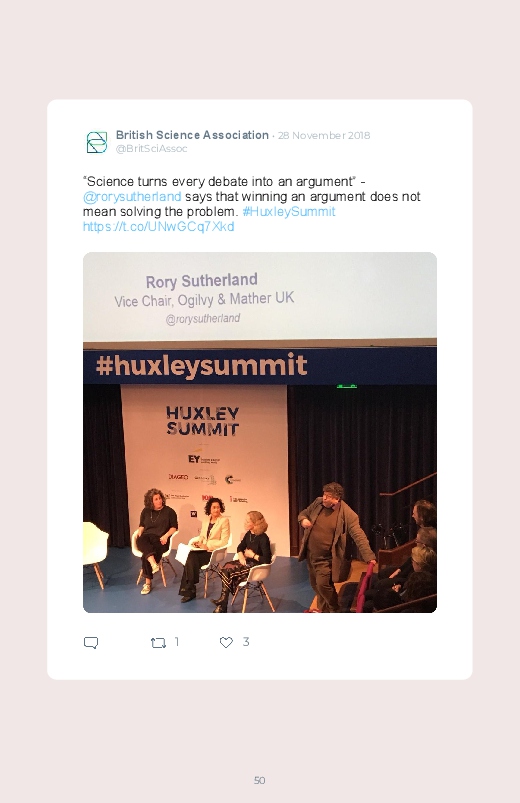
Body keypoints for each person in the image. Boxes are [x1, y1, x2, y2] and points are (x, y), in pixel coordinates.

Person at [298, 482, 376, 613]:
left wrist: (369, 556)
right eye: (324, 494)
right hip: (311, 555)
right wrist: (303, 520)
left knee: (323, 585)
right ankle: (324, 611)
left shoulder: (347, 514)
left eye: (328, 496)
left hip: (327, 559)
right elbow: (304, 513)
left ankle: (335, 609)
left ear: (336, 499)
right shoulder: (318, 503)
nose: (324, 498)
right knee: (316, 586)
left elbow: (359, 536)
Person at [212, 511, 271, 613]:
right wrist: (240, 555)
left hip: (256, 567)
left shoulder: (263, 538)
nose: (245, 523)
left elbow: (267, 560)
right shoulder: (248, 534)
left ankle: (222, 604)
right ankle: (223, 602)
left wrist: (253, 555)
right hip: (246, 562)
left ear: (255, 523)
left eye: (247, 521)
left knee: (228, 571)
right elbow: (240, 547)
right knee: (226, 566)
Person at [178, 497, 230, 603]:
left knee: (190, 559)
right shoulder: (206, 520)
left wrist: (207, 546)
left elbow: (224, 541)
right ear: (209, 509)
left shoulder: (224, 521)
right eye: (214, 507)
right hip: (202, 549)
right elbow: (202, 535)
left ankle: (190, 590)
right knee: (190, 557)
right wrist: (198, 542)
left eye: (218, 507)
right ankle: (190, 588)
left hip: (214, 552)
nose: (216, 509)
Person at [135, 488, 178, 595]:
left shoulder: (169, 511)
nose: (159, 501)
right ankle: (154, 563)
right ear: (151, 501)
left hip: (160, 539)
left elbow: (174, 527)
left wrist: (166, 536)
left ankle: (147, 583)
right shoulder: (146, 511)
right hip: (146, 537)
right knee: (141, 540)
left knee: (146, 554)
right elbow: (142, 525)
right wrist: (140, 530)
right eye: (156, 499)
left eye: (160, 498)